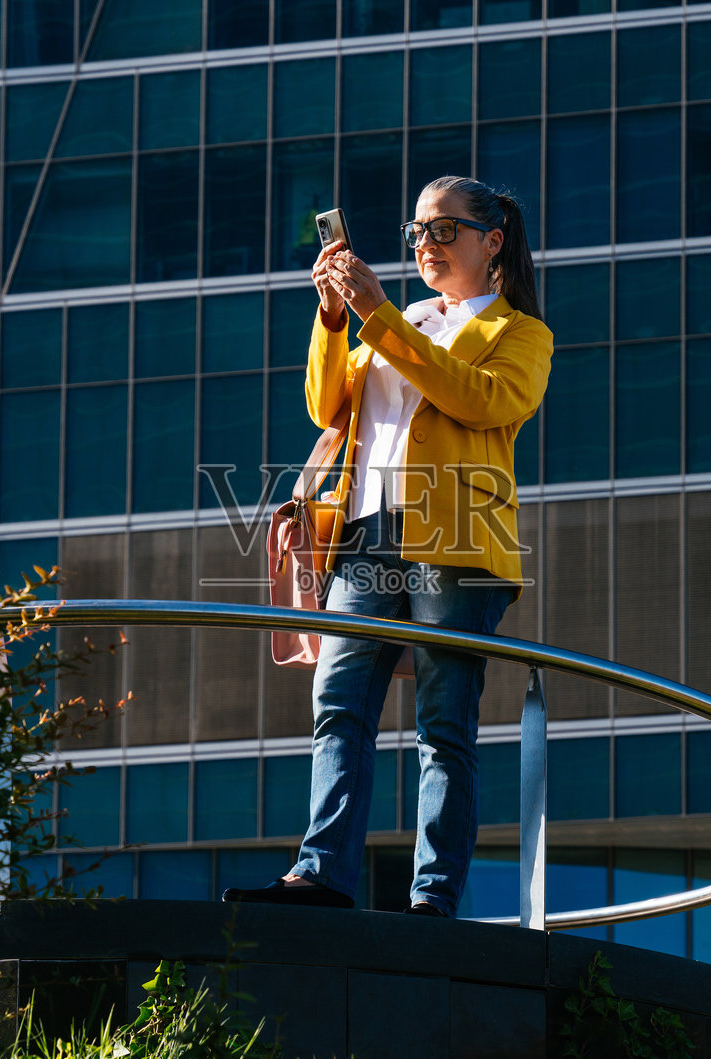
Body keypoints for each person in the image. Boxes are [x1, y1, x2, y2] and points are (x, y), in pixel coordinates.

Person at [224, 176, 552, 918]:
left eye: (443, 230)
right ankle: (321, 872)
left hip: (459, 543)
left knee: (443, 725)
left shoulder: (520, 332)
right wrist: (336, 317)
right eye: (417, 234)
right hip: (368, 529)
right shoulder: (399, 317)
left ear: (491, 240)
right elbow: (325, 404)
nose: (425, 245)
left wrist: (376, 319)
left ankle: (433, 897)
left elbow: (475, 398)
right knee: (338, 702)